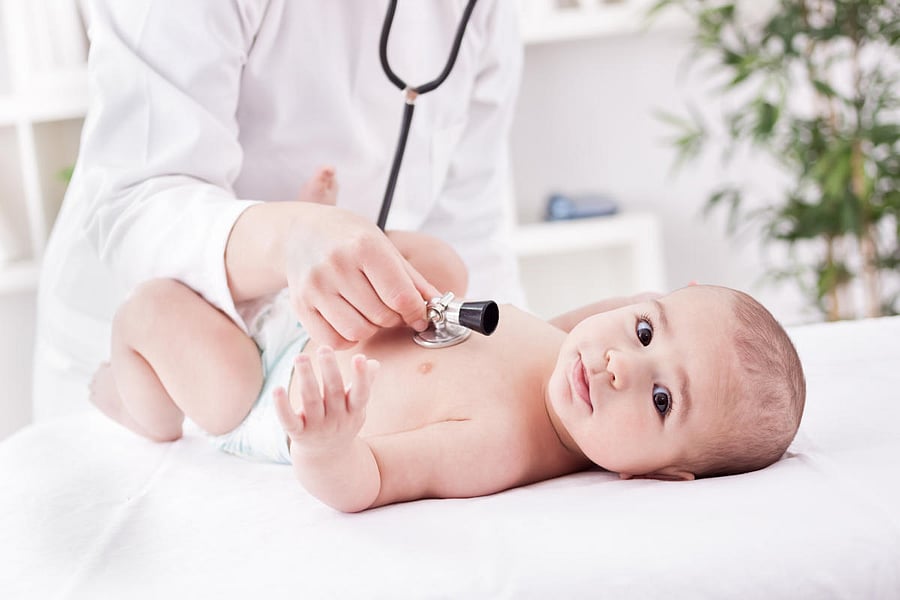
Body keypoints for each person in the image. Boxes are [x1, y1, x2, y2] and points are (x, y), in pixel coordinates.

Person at [91, 176, 807, 512]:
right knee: (445, 266)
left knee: (152, 307)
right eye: (646, 329)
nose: (621, 363)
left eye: (660, 399)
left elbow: (369, 481)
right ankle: (320, 239)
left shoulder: (498, 445)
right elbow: (602, 323)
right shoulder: (567, 348)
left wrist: (327, 444)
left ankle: (134, 401)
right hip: (319, 320)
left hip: (268, 387)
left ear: (660, 474)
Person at [33, 1, 525, 421]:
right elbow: (138, 197)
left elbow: (471, 220)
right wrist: (290, 237)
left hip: (330, 357)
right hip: (156, 354)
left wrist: (515, 376)